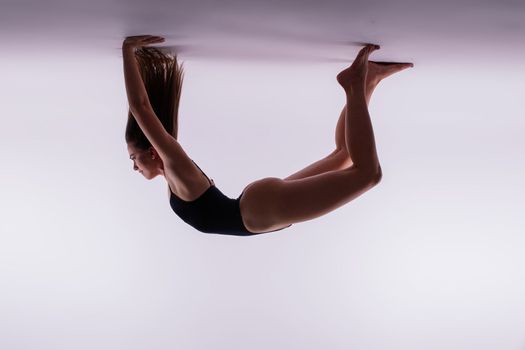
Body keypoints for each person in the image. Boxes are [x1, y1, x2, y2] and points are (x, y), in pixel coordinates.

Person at [123, 35, 413, 236]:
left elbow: (140, 107)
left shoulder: (174, 163)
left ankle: (354, 83)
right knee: (343, 155)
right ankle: (368, 81)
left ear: (152, 151)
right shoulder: (173, 175)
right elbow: (143, 109)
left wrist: (128, 51)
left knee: (368, 174)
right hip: (260, 208)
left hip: (261, 210)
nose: (134, 166)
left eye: (134, 158)